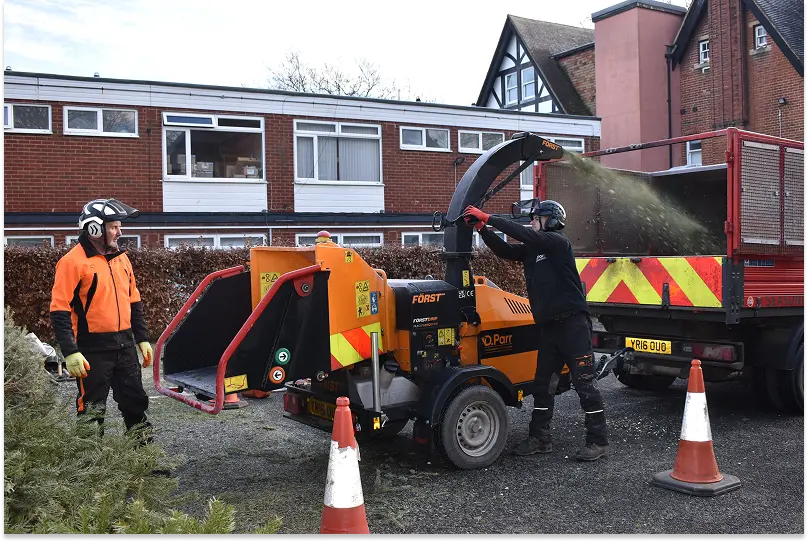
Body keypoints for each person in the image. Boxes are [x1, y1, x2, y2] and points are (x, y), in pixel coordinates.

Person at [463, 200, 609, 461]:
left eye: (536, 218)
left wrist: (489, 216)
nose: (531, 222)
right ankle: (540, 438)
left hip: (573, 325)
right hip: (550, 328)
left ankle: (598, 442)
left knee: (584, 384)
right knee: (542, 385)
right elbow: (505, 250)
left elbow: (523, 233)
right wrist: (483, 229)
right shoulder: (533, 250)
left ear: (549, 221)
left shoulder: (556, 243)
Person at [50, 198, 154, 440]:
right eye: (114, 227)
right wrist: (71, 352)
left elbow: (134, 301)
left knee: (136, 404)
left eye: (119, 226)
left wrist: (143, 338)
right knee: (92, 411)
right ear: (94, 228)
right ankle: (92, 470)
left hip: (125, 347)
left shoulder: (121, 258)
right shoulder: (71, 262)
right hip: (92, 351)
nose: (120, 232)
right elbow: (59, 310)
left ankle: (144, 461)